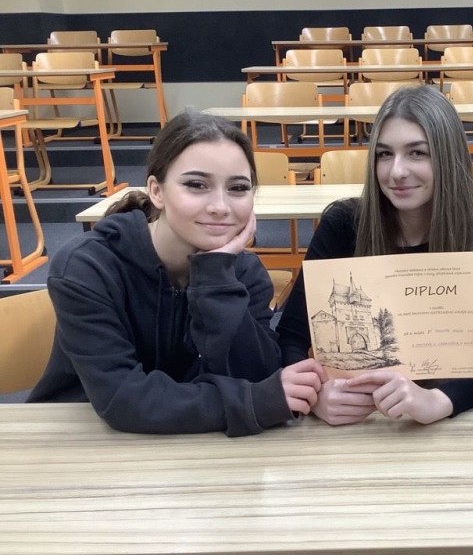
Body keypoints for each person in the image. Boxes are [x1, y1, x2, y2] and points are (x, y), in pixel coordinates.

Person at [28, 111, 324, 436]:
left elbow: (257, 375)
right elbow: (124, 399)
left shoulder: (244, 273)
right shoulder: (88, 267)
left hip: (197, 442)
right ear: (157, 191)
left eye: (238, 188)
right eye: (196, 185)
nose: (220, 206)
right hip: (82, 440)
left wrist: (215, 276)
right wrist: (254, 402)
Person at [277, 85, 473, 425]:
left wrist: (440, 400)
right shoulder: (343, 225)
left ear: (448, 158)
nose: (396, 171)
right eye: (384, 154)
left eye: (417, 153)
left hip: (446, 425)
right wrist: (314, 394)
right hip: (359, 424)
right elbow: (289, 337)